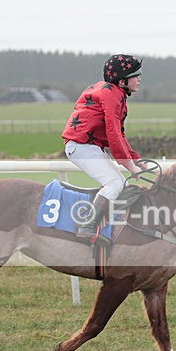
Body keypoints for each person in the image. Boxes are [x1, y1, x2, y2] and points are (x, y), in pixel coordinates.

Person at [62, 54, 147, 243]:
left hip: (88, 146)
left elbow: (120, 134)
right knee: (115, 184)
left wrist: (135, 158)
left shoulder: (115, 93)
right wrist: (129, 165)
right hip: (82, 146)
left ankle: (103, 227)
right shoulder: (111, 95)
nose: (139, 79)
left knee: (120, 184)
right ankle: (88, 226)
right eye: (136, 75)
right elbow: (113, 133)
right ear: (122, 80)